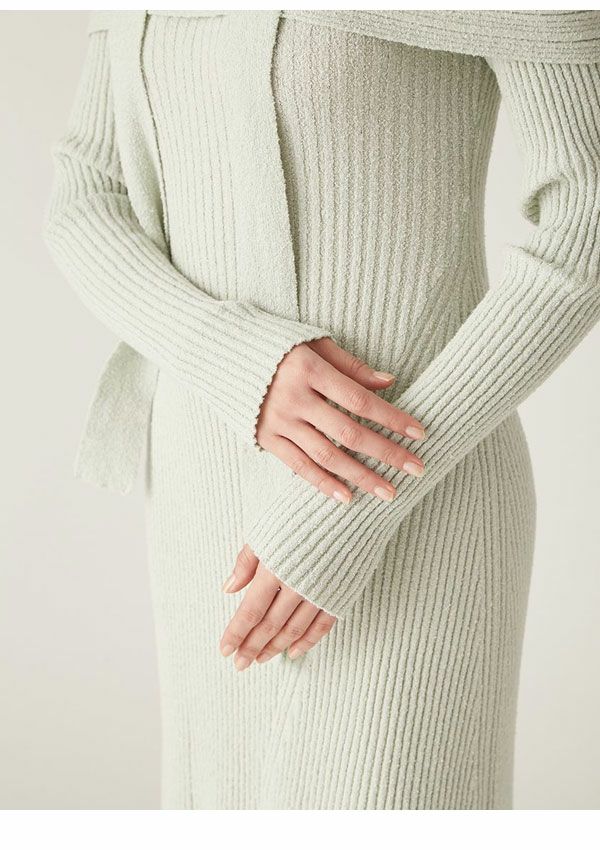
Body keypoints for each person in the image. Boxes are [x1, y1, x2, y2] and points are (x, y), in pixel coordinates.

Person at [44, 10, 600, 809]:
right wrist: (232, 356)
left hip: (411, 502)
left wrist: (352, 508)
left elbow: (587, 214)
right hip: (203, 501)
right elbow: (87, 194)